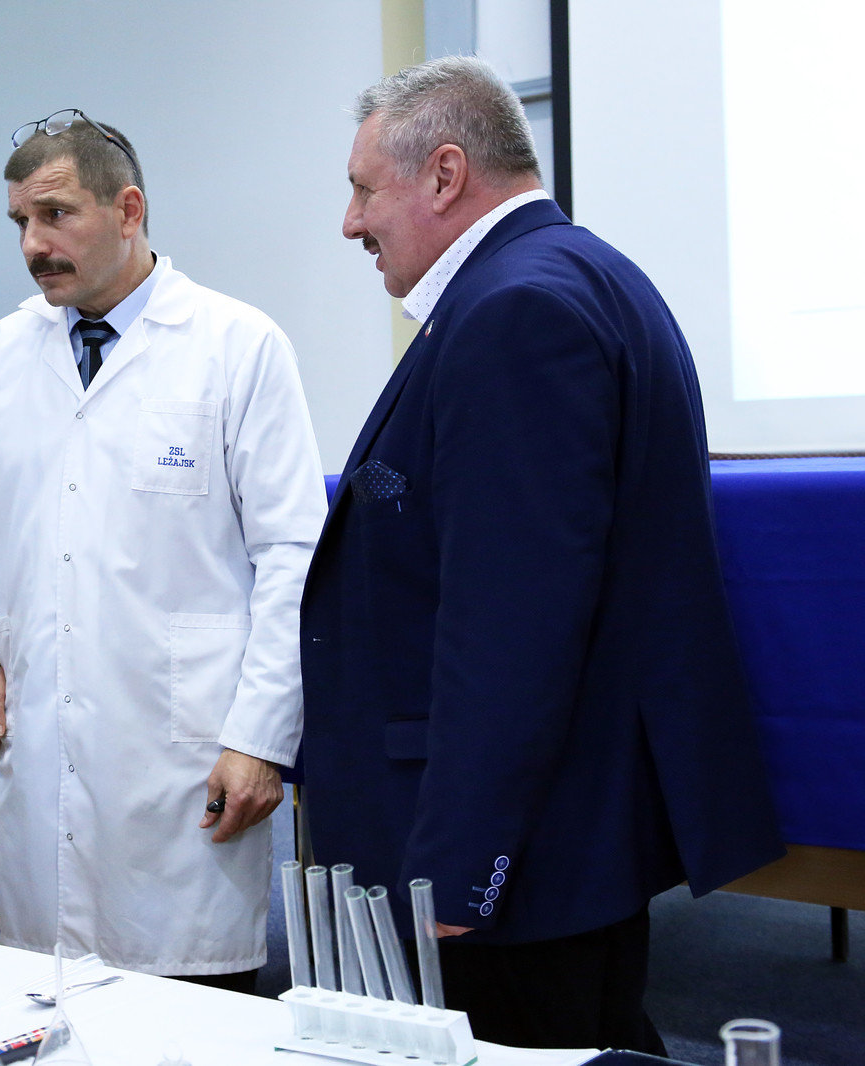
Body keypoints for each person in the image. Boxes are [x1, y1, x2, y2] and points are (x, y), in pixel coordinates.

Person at [298, 57, 784, 1051]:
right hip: (559, 830)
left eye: (363, 189)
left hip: (514, 853)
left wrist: (460, 864)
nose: (350, 222)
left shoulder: (515, 312)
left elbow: (511, 626)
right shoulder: (579, 275)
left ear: (443, 174)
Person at [0, 110, 326, 989]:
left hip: (184, 756)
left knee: (189, 1015)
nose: (33, 245)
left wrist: (262, 740)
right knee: (45, 1008)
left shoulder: (237, 345)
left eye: (56, 215)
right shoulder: (2, 355)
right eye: (20, 222)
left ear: (128, 209)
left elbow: (293, 555)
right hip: (42, 742)